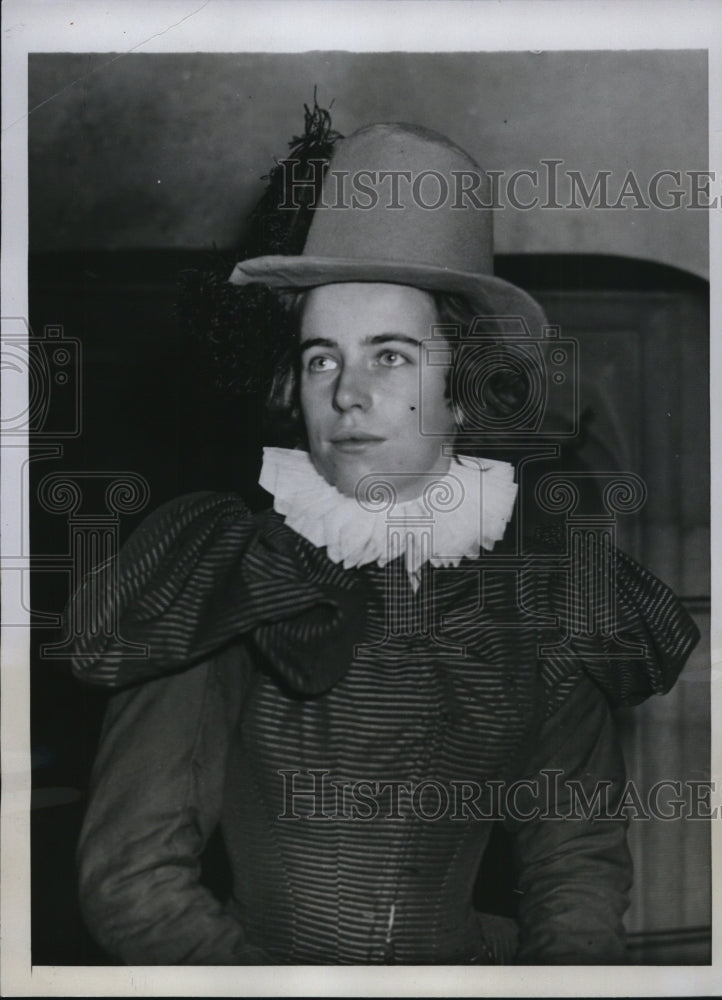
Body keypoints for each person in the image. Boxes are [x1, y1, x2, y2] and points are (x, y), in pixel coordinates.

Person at [69, 122, 699, 965]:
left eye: (391, 356)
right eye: (322, 359)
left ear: (465, 388)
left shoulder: (547, 592)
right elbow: (133, 880)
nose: (349, 395)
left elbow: (574, 861)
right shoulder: (222, 575)